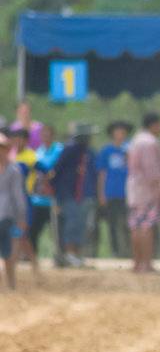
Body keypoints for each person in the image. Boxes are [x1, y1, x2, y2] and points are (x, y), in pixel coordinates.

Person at [50, 123, 99, 267]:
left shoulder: (90, 153)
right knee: (72, 223)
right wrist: (57, 195)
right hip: (69, 194)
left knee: (83, 225)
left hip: (86, 195)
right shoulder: (69, 150)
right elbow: (57, 172)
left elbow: (93, 174)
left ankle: (77, 254)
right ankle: (69, 253)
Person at [126, 113, 160, 274]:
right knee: (146, 227)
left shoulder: (135, 141)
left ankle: (136, 263)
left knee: (135, 226)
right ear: (154, 125)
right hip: (147, 191)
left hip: (134, 189)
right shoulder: (150, 143)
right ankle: (147, 264)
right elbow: (152, 171)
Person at [96, 121, 131, 258]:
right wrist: (101, 193)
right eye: (117, 132)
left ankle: (129, 249)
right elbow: (102, 173)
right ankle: (115, 251)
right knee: (112, 223)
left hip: (127, 192)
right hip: (111, 192)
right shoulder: (106, 151)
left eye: (123, 132)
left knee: (127, 223)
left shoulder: (129, 150)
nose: (120, 135)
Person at [1, 129, 29, 289]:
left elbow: (18, 195)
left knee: (7, 252)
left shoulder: (13, 170)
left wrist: (22, 218)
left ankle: (11, 283)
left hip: (6, 215)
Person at [29, 123, 62, 265]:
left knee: (57, 231)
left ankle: (59, 257)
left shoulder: (59, 150)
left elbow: (59, 170)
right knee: (34, 230)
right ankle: (33, 257)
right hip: (39, 199)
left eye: (49, 134)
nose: (46, 137)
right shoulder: (38, 152)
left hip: (54, 198)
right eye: (44, 134)